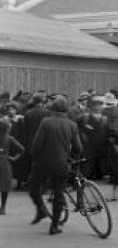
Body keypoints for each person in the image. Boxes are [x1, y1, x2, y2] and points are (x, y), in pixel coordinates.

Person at [28, 97, 83, 235]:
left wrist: (35, 157)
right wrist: (72, 159)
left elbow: (37, 145)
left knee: (33, 185)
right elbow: (78, 148)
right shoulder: (72, 125)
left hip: (43, 163)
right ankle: (54, 226)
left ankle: (41, 209)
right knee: (59, 193)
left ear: (53, 109)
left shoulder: (46, 122)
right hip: (62, 164)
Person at [0, 119, 24, 215]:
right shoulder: (10, 138)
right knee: (5, 185)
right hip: (5, 163)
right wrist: (14, 158)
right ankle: (3, 207)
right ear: (7, 129)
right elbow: (22, 149)